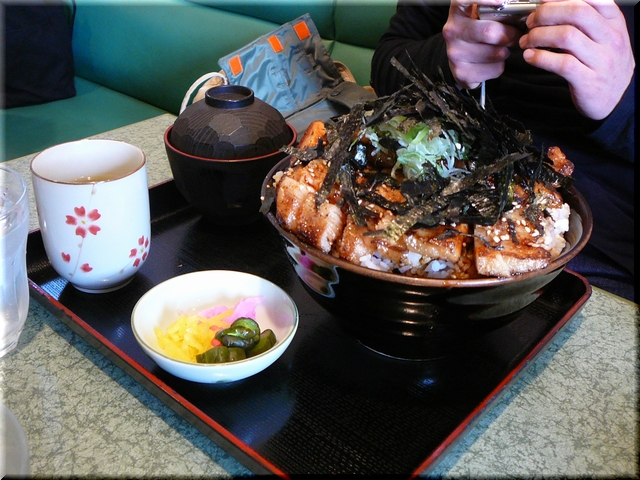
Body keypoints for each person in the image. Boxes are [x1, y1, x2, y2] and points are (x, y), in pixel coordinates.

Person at [371, 0, 635, 302]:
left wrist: (624, 97)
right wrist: (443, 59)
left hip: (593, 246)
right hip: (426, 204)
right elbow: (385, 65)